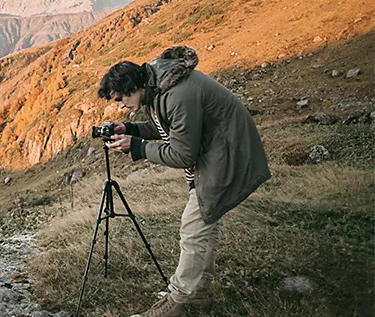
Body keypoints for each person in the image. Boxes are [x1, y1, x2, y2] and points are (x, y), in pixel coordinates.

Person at [97, 45, 271, 317]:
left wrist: (137, 146)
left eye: (121, 98)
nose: (120, 105)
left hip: (228, 151)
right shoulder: (158, 87)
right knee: (207, 221)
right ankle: (199, 290)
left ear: (133, 86)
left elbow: (182, 153)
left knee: (193, 227)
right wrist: (130, 128)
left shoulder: (177, 94)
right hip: (215, 150)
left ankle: (175, 303)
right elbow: (169, 126)